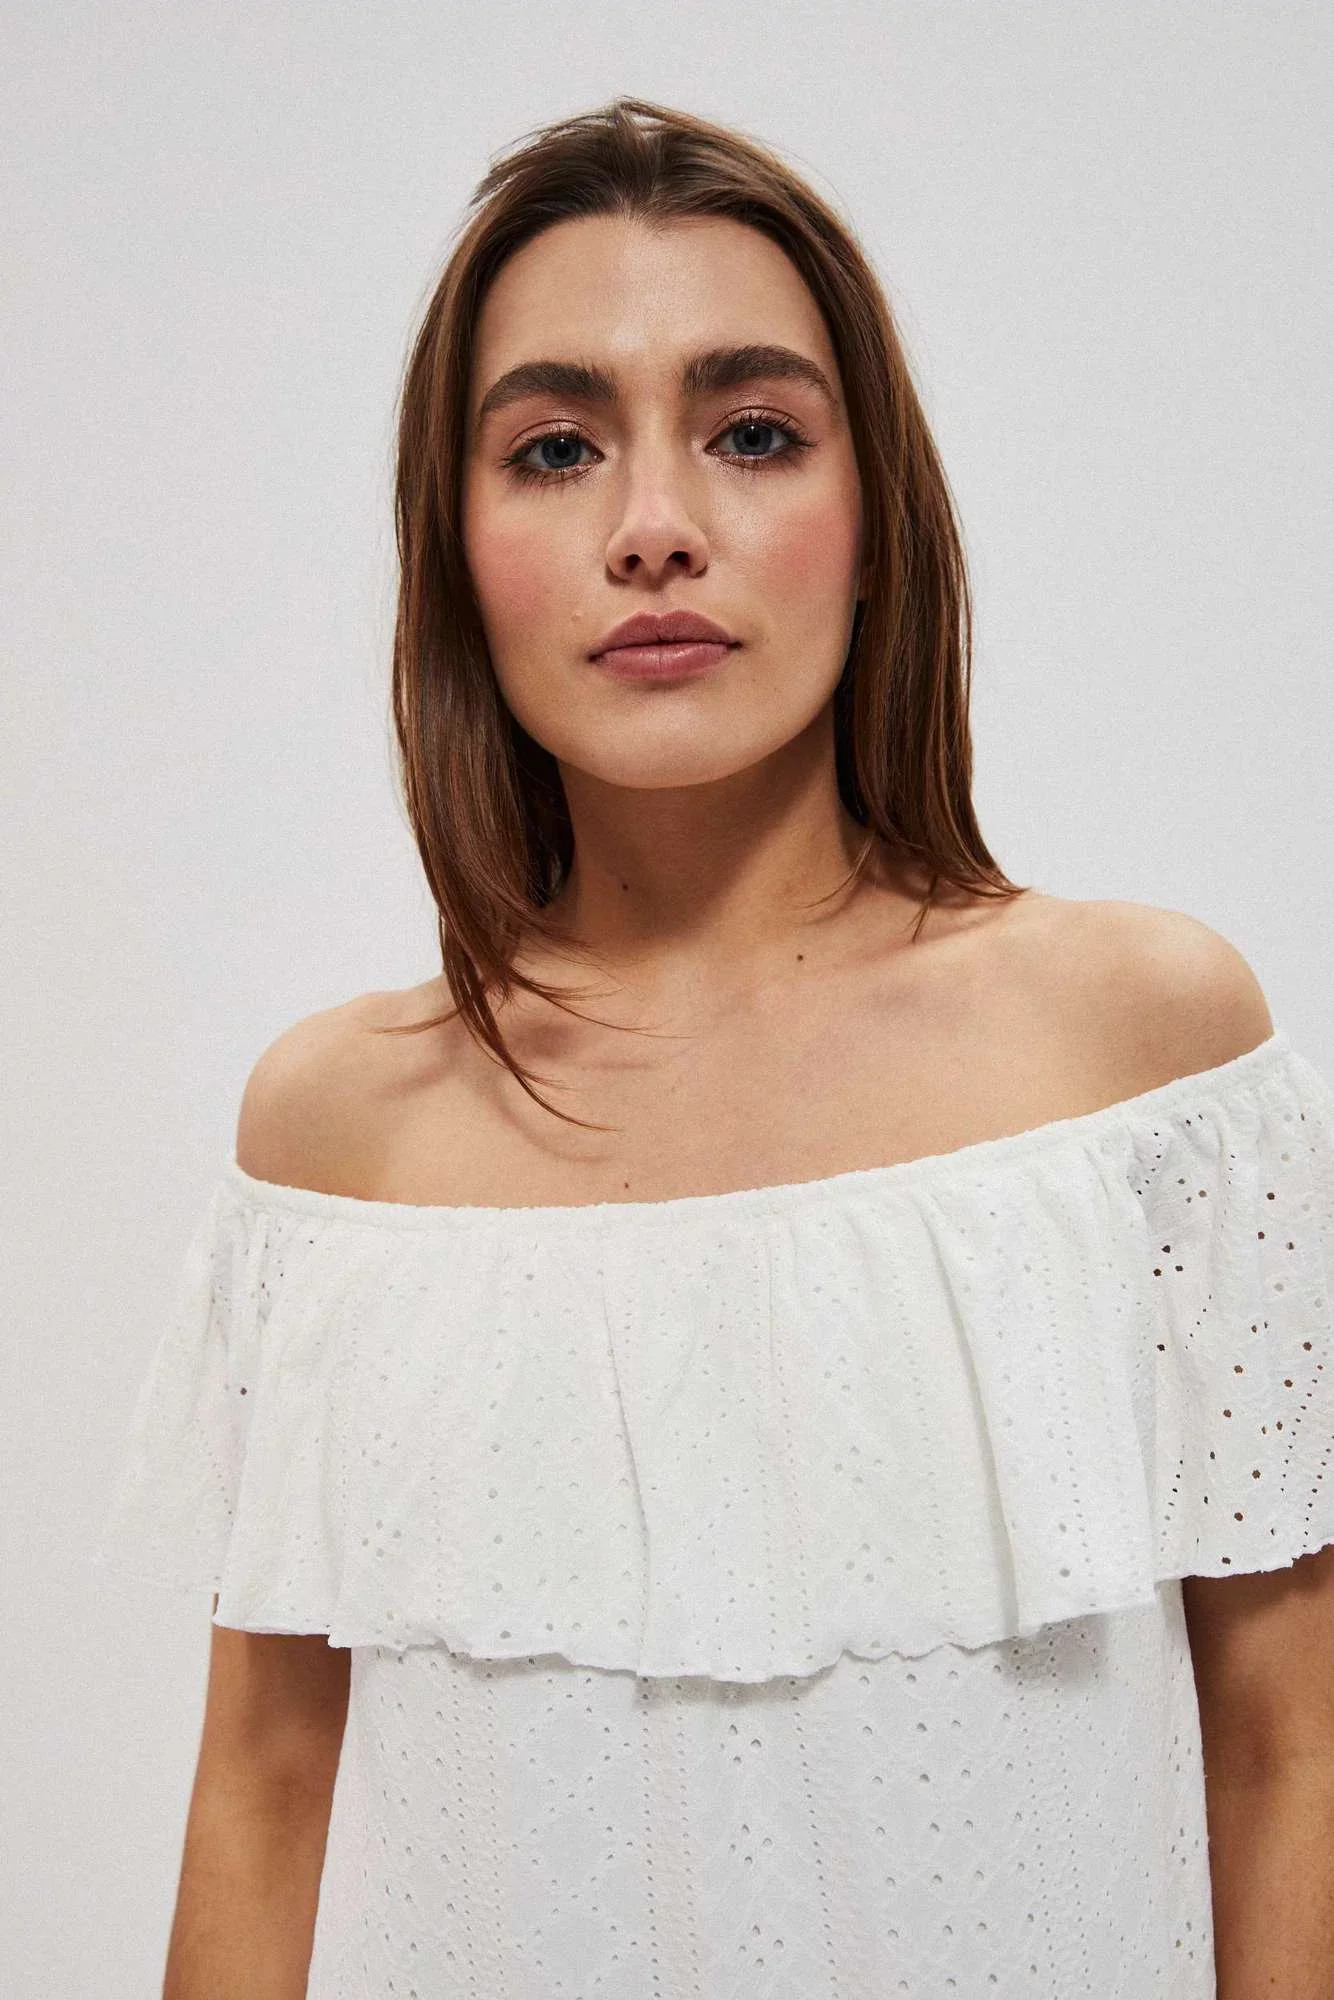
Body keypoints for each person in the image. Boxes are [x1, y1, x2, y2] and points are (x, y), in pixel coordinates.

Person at [95, 96, 1334, 1999]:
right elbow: (263, 1805)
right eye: (555, 448)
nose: (655, 529)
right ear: (455, 545)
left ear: (876, 519)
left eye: (752, 433)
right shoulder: (342, 1140)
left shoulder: (1142, 1061)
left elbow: (1290, 1742)